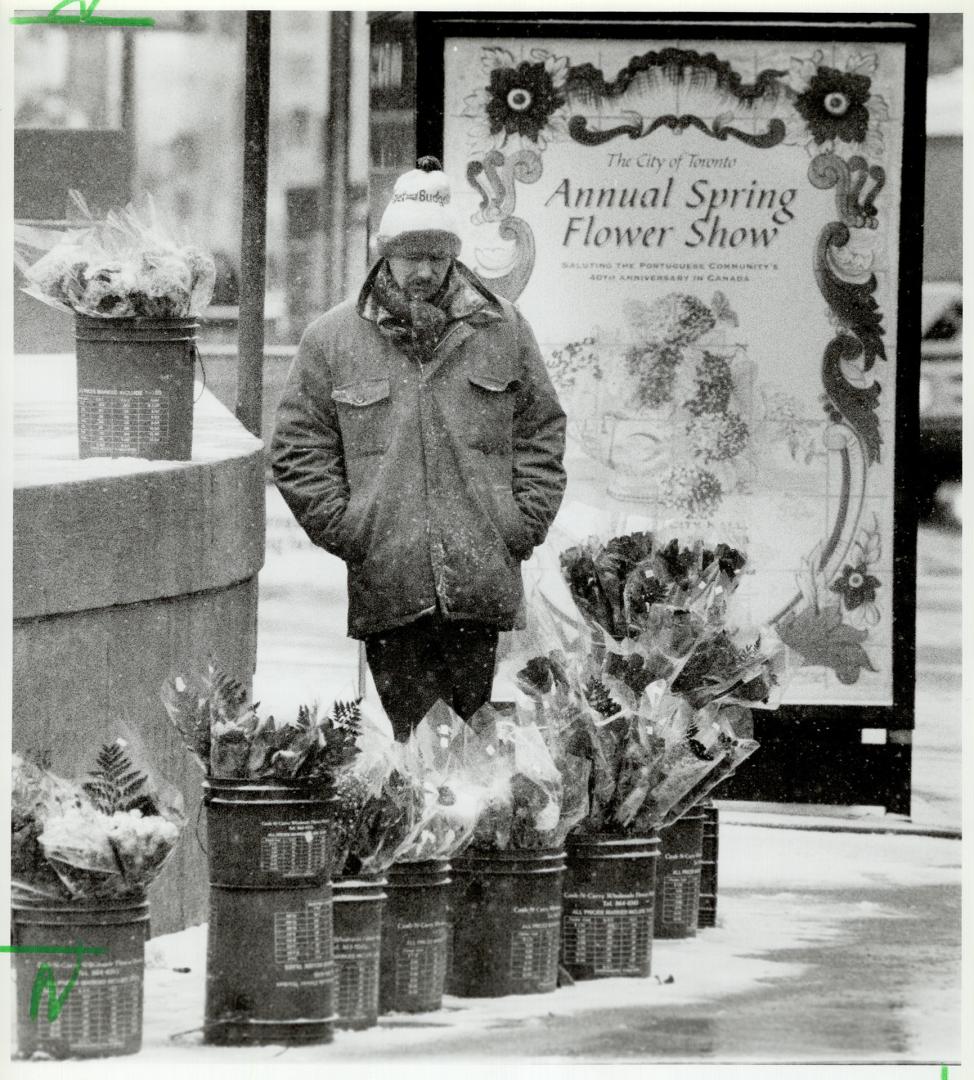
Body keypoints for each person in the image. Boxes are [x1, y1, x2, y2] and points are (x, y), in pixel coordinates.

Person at [271, 156, 567, 740]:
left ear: (453, 256)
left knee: (473, 747)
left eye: (437, 256)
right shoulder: (332, 339)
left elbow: (541, 431)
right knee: (407, 747)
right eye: (411, 256)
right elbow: (298, 448)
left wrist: (519, 523)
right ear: (385, 253)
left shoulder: (503, 330)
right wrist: (353, 529)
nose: (424, 271)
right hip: (391, 581)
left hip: (479, 580)